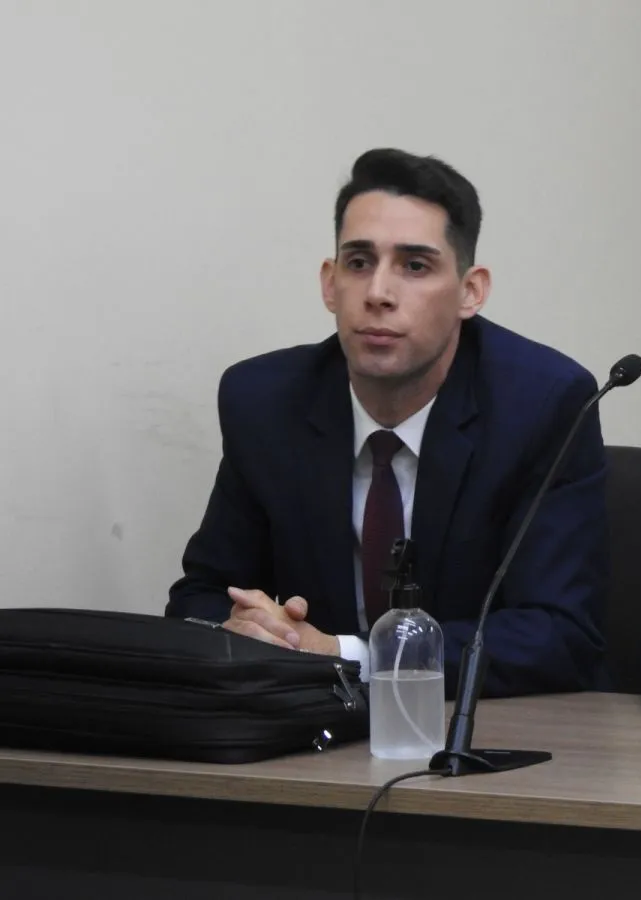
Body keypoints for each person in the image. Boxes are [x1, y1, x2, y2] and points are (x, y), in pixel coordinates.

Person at [167, 148, 609, 698]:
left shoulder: (543, 404)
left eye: (414, 266)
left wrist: (347, 656)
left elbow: (558, 635)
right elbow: (201, 597)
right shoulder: (265, 402)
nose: (378, 293)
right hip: (316, 730)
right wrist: (253, 632)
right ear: (329, 284)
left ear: (470, 291)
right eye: (358, 263)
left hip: (486, 726)